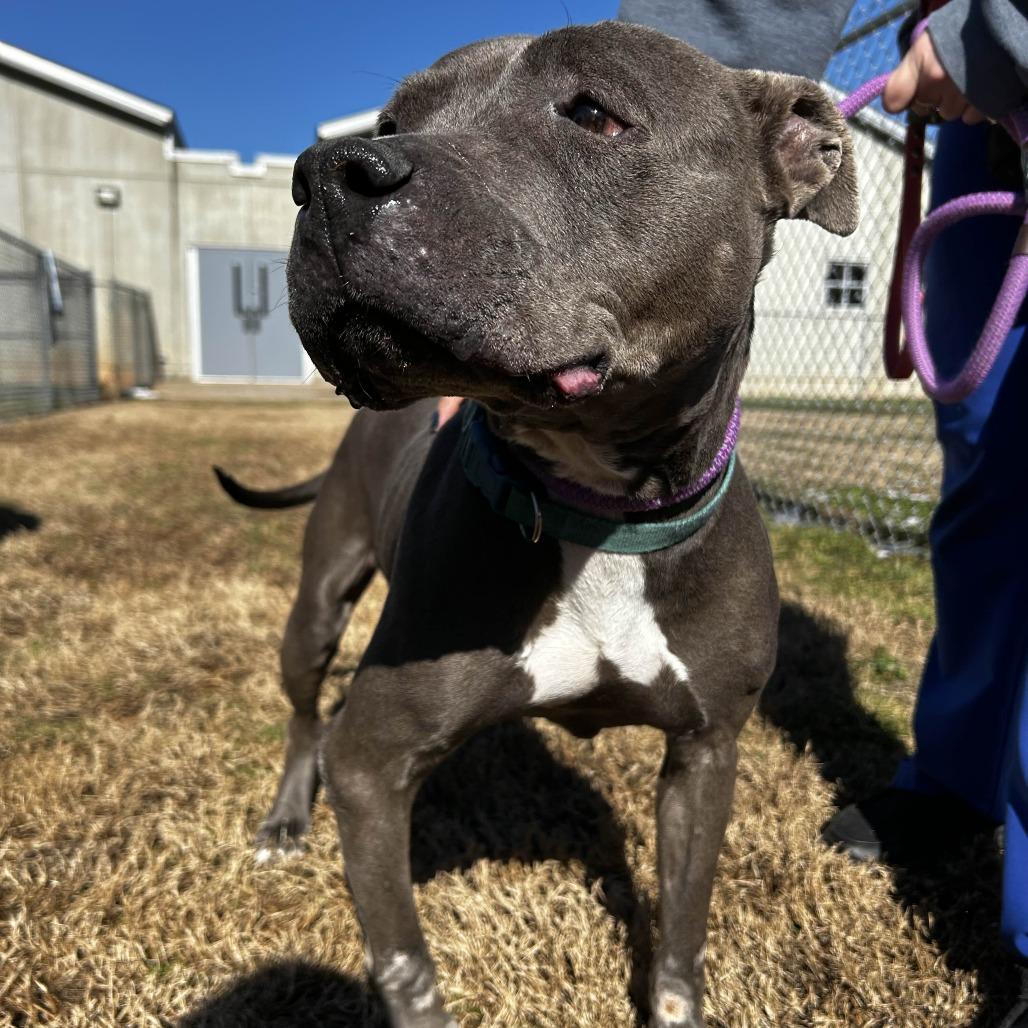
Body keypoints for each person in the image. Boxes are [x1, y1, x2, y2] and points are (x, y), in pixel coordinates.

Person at [615, 1, 1028, 1024]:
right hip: (987, 121)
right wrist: (665, 113)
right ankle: (959, 774)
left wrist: (1002, 30)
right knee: (990, 472)